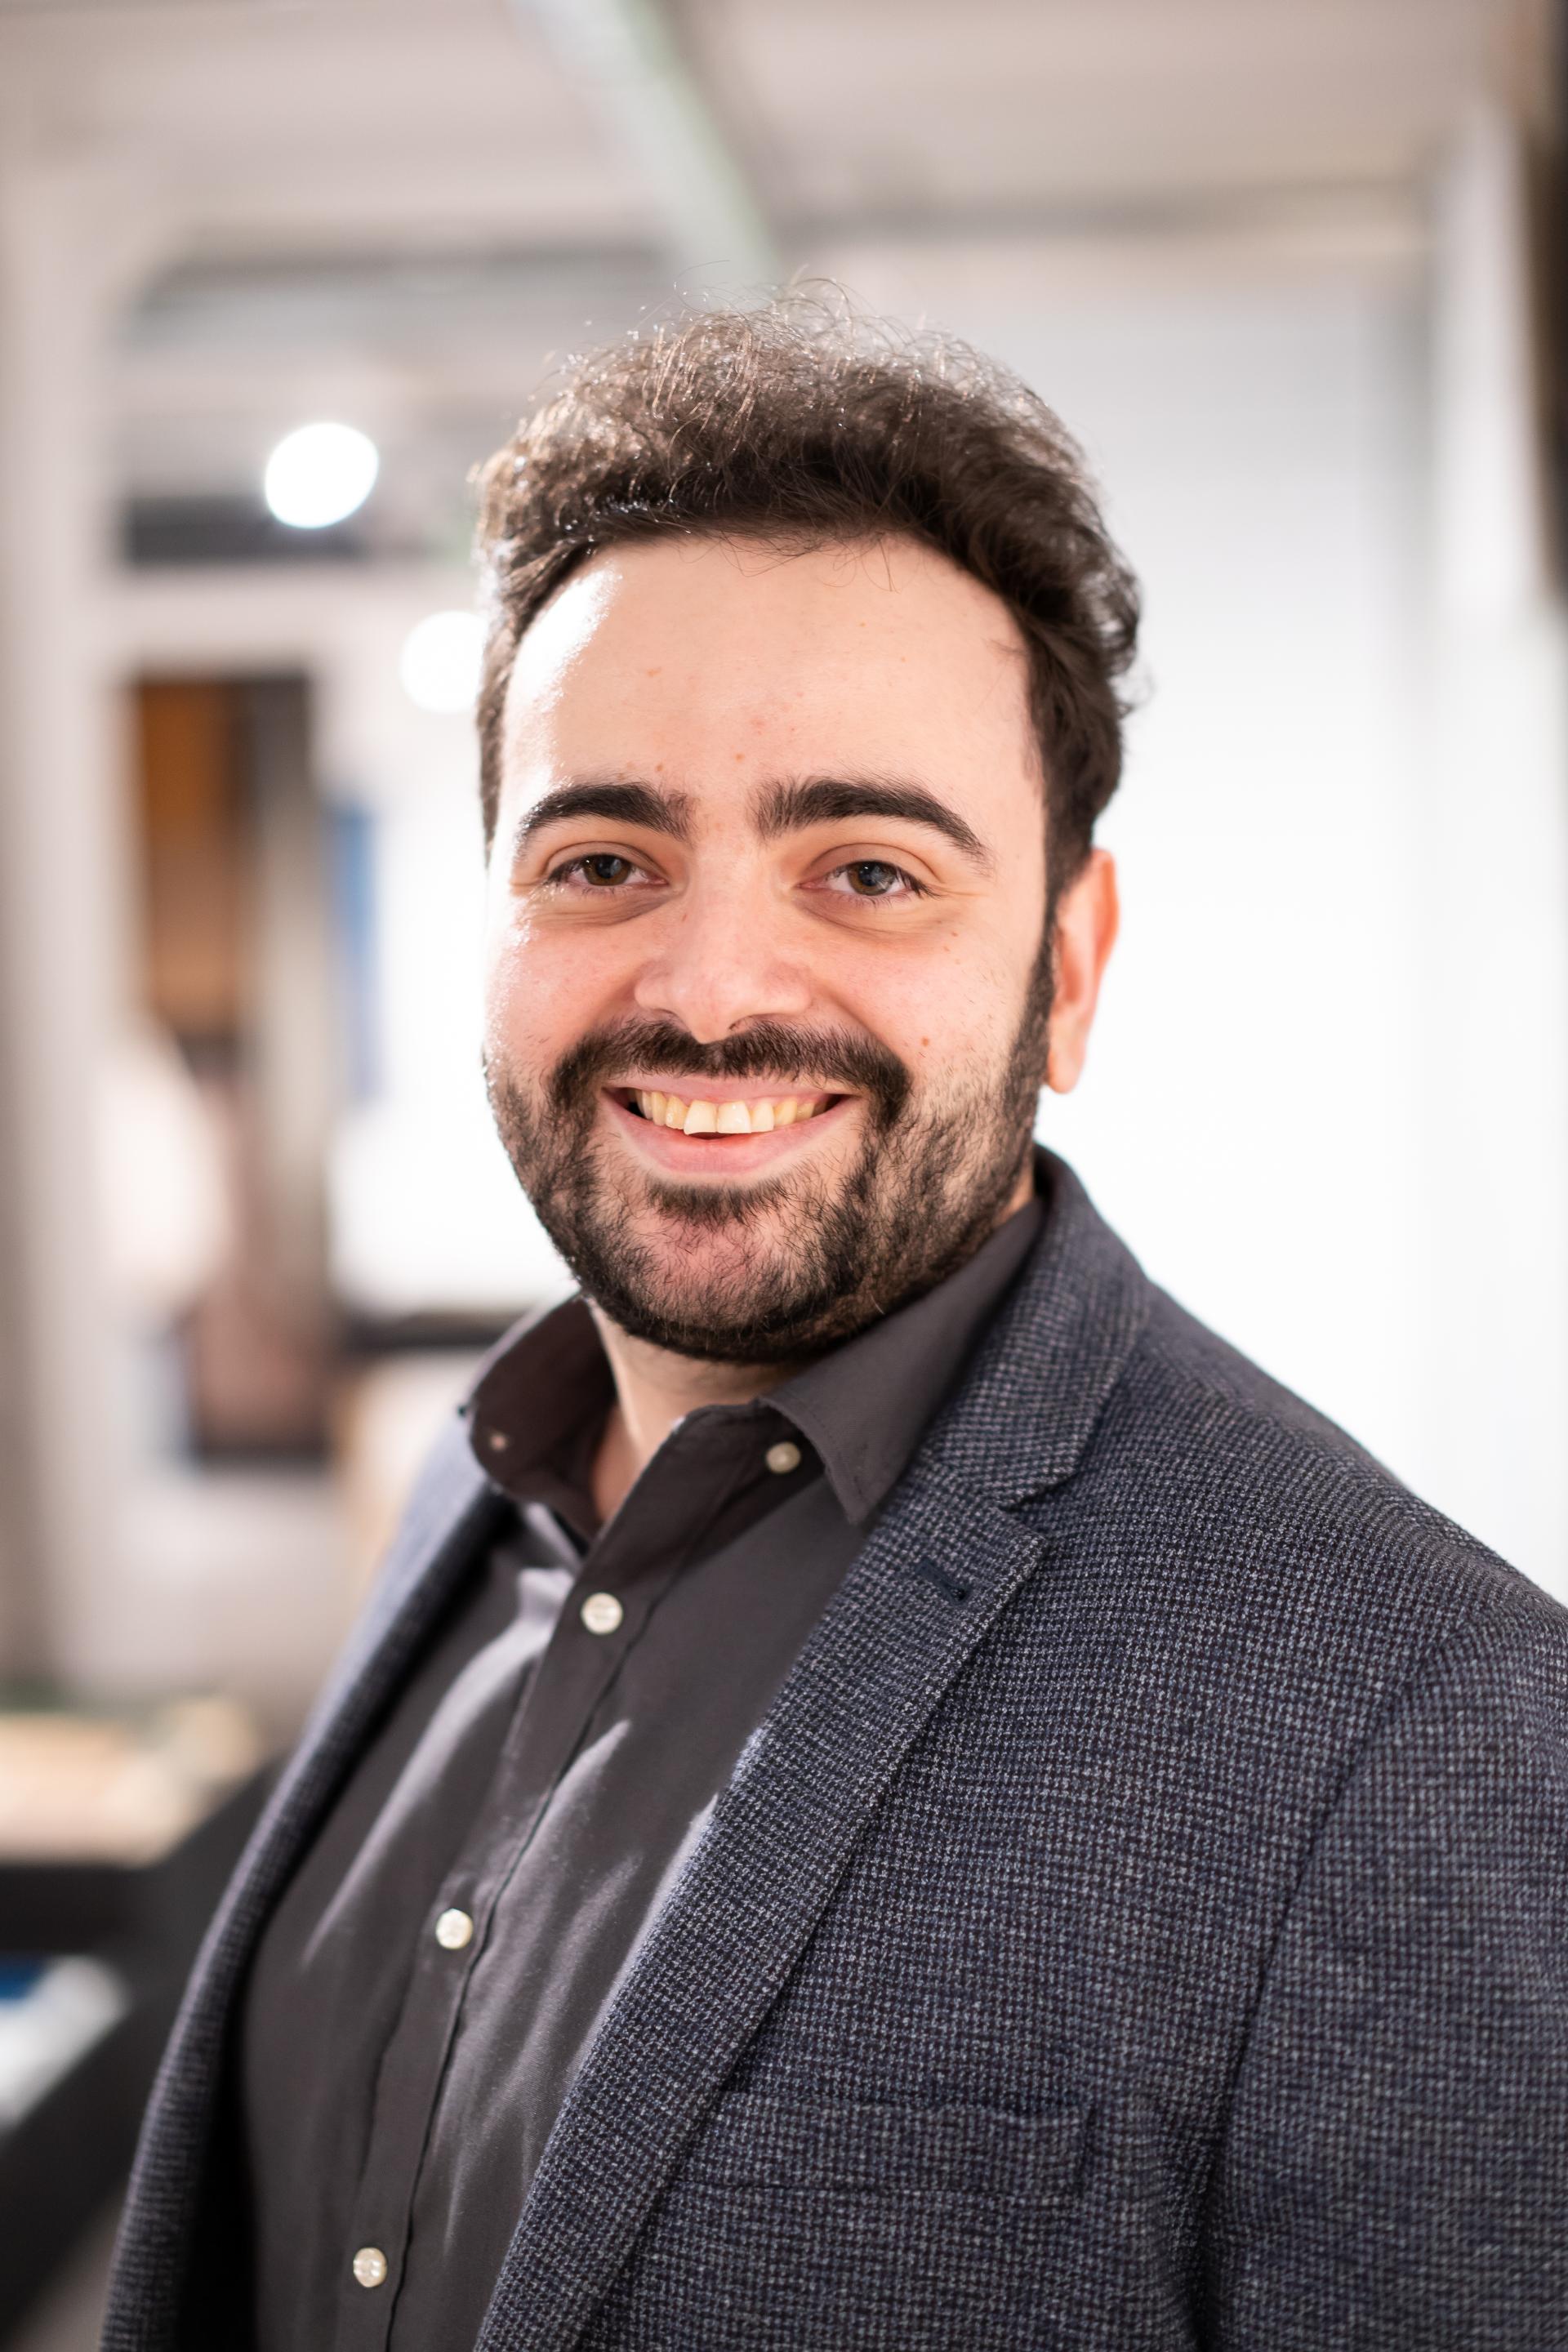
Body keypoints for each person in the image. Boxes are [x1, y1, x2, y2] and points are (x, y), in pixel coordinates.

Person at [105, 301, 1568, 2352]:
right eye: (604, 856)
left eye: (866, 869)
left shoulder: (1415, 1722)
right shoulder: (469, 1487)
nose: (710, 985)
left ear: (1070, 965)